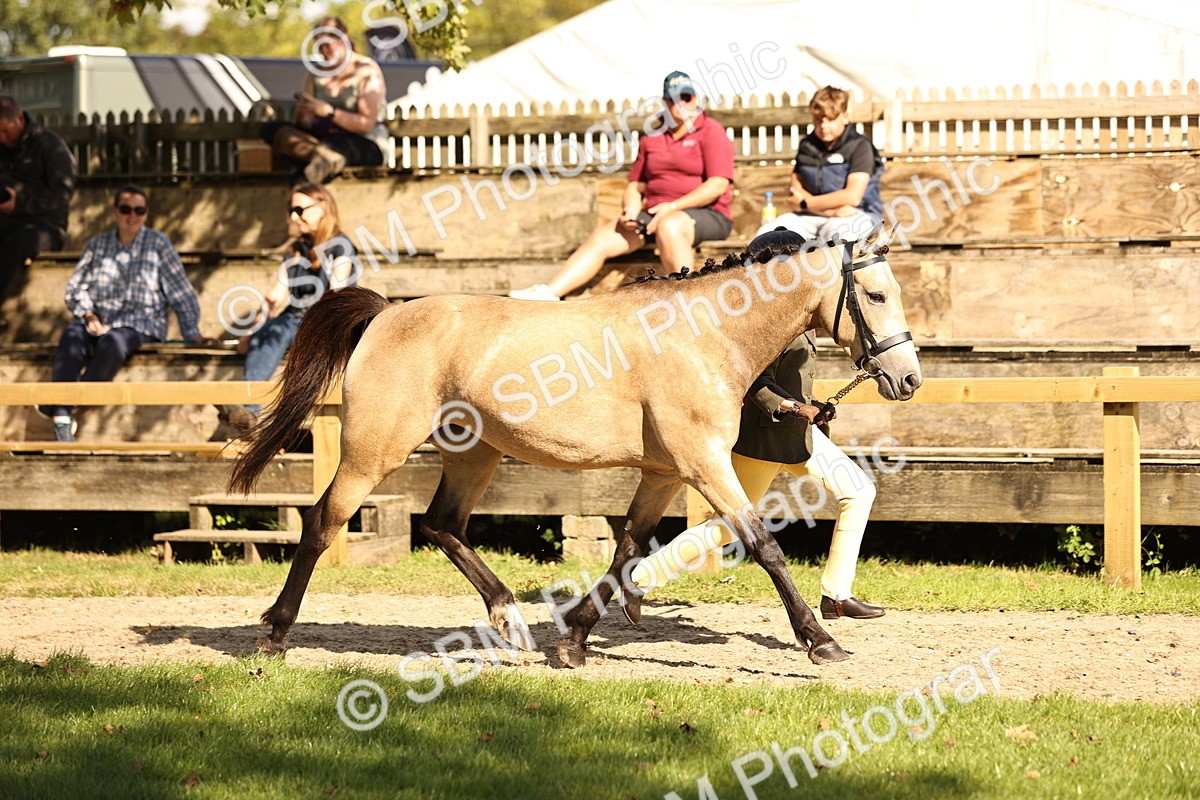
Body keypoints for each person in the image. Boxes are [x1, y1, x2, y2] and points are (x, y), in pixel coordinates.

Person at [622, 228, 884, 624]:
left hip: (798, 436)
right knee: (726, 528)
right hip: (764, 437)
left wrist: (812, 408)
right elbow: (755, 381)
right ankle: (638, 578)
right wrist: (793, 407)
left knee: (859, 491)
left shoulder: (795, 314)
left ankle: (837, 595)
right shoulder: (761, 321)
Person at [509, 71, 734, 301]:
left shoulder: (711, 131)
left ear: (695, 98)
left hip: (707, 214)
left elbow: (717, 185)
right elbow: (635, 186)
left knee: (670, 225)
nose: (683, 103)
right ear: (665, 102)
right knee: (605, 235)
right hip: (655, 214)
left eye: (687, 97)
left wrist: (673, 207)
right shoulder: (652, 137)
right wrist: (631, 211)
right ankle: (548, 293)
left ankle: (687, 300)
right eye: (675, 99)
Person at [35, 184, 216, 442]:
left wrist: (191, 332)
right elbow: (75, 288)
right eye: (126, 209)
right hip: (98, 321)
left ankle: (61, 405)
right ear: (115, 211)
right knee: (71, 336)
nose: (132, 216)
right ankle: (62, 418)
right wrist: (88, 314)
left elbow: (180, 291)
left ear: (146, 213)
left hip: (141, 325)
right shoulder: (98, 244)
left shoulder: (157, 244)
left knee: (114, 343)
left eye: (139, 210)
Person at [217, 182, 359, 434]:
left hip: (325, 320)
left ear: (322, 207)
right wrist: (250, 332)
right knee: (267, 333)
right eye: (291, 210)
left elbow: (336, 295)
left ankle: (251, 413)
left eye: (299, 210)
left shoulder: (340, 246)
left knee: (279, 330)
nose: (294, 217)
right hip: (294, 320)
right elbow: (274, 297)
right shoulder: (296, 250)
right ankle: (249, 413)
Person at [261, 16, 388, 185]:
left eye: (328, 45)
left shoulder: (366, 70)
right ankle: (323, 157)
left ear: (343, 38)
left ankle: (321, 160)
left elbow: (366, 124)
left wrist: (330, 113)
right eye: (320, 46)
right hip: (321, 142)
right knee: (272, 128)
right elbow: (305, 123)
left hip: (363, 143)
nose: (324, 51)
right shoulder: (316, 73)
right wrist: (304, 113)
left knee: (321, 152)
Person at [757, 85, 883, 243]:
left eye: (830, 119)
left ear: (845, 117)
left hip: (857, 214)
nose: (823, 126)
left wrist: (805, 203)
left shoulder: (860, 146)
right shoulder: (807, 146)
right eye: (818, 119)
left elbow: (852, 197)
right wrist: (828, 211)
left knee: (837, 236)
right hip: (814, 214)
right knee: (767, 234)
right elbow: (794, 195)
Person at [0, 96, 78, 323]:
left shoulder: (49, 145)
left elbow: (63, 191)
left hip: (46, 227)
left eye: (5, 131)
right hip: (6, 221)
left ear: (19, 119)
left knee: (18, 243)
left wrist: (21, 203)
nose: (2, 138)